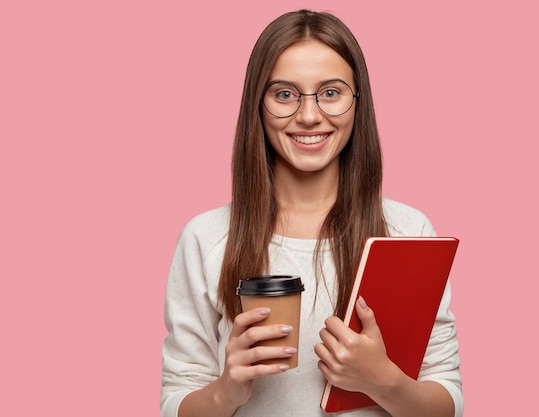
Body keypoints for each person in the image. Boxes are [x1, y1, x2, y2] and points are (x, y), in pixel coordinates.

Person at [161, 9, 463, 417]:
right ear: (259, 104)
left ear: (358, 104)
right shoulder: (206, 236)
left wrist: (382, 380)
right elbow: (176, 400)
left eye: (331, 93)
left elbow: (448, 400)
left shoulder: (406, 230)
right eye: (284, 94)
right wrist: (226, 391)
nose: (308, 115)